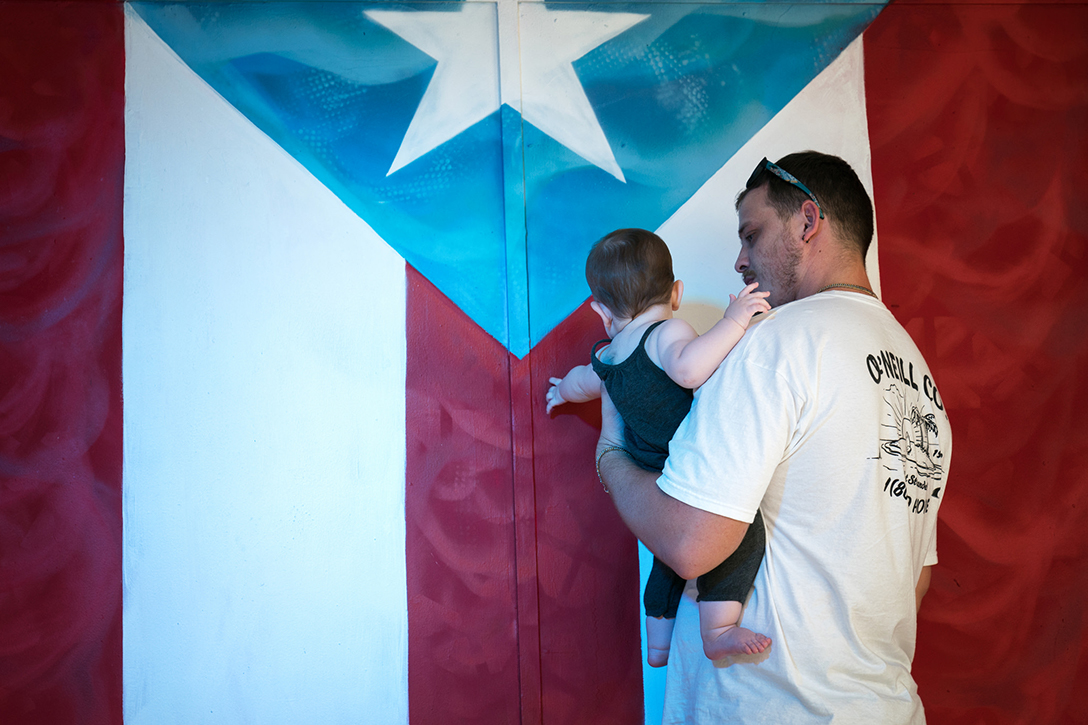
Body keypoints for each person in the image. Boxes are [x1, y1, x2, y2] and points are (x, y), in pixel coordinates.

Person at [595, 152, 952, 723]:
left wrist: (611, 455)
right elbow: (914, 580)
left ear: (808, 222)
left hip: (768, 705)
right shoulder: (919, 380)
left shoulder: (774, 344)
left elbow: (690, 543)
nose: (739, 260)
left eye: (752, 234)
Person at [546, 228, 771, 666]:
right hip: (687, 461)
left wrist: (562, 393)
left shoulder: (609, 357)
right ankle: (719, 629)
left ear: (601, 310)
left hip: (648, 465)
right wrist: (734, 321)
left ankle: (659, 644)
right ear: (676, 292)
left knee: (666, 556)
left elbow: (580, 380)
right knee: (745, 534)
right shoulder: (666, 331)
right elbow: (688, 370)